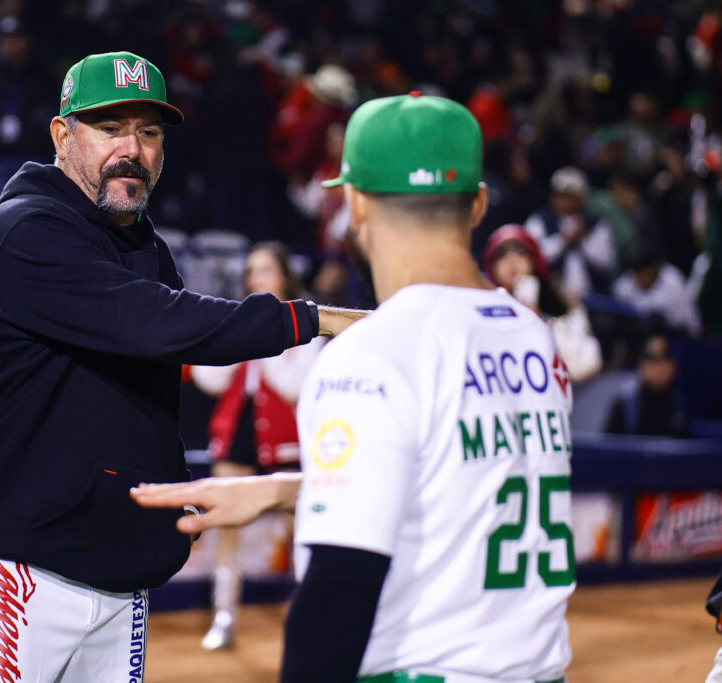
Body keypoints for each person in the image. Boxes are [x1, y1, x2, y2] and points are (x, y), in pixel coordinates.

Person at [0, 51, 362, 682]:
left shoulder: (144, 246)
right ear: (62, 135)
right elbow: (157, 323)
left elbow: (147, 385)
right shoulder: (23, 231)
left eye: (148, 132)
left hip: (112, 572)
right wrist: (312, 318)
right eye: (110, 128)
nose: (133, 149)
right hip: (8, 563)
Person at [135, 93, 575, 683]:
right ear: (477, 204)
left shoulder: (372, 353)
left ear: (357, 204)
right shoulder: (535, 338)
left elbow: (338, 593)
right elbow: (453, 480)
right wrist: (284, 489)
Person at [191, 242, 325, 650]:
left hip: (285, 438)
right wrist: (238, 335)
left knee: (301, 528)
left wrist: (269, 338)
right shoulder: (237, 316)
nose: (257, 278)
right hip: (239, 429)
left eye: (266, 269)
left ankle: (308, 616)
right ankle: (225, 615)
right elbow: (208, 379)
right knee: (226, 523)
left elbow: (296, 387)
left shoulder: (307, 321)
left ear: (284, 274)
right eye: (252, 271)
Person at [484, 223, 603, 382]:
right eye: (502, 256)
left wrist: (539, 323)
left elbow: (585, 365)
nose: (512, 262)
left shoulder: (561, 305)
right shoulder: (484, 308)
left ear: (534, 260)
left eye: (520, 254)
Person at [525, 166, 616, 300]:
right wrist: (563, 240)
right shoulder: (539, 221)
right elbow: (532, 257)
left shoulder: (596, 225)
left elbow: (607, 262)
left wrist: (583, 239)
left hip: (592, 299)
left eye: (572, 196)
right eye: (562, 195)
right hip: (550, 298)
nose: (566, 201)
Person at [604, 335, 691, 438]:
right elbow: (608, 449)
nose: (658, 369)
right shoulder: (625, 403)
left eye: (663, 362)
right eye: (652, 362)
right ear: (641, 366)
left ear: (672, 367)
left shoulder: (678, 404)